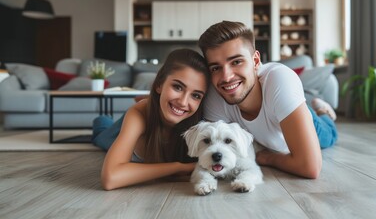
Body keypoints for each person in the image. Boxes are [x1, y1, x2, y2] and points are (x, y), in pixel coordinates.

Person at [198, 21, 338, 179]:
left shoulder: (279, 80)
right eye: (216, 68)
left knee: (329, 136)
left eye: (236, 62)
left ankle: (323, 111)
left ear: (256, 61)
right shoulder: (216, 94)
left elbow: (309, 167)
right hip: (271, 134)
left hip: (298, 115)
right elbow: (213, 150)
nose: (226, 77)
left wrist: (268, 158)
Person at [92, 48, 210, 190]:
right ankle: (102, 120)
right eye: (177, 87)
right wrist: (178, 167)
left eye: (196, 95)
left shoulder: (201, 123)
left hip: (154, 107)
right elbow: (110, 179)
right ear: (159, 84)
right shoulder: (139, 115)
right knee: (101, 133)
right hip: (120, 127)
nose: (184, 102)